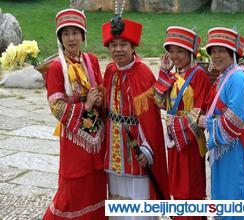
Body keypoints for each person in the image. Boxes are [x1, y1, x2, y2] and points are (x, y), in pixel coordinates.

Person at [101, 14, 170, 219]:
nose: (118, 49)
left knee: (139, 207)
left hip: (136, 151)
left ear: (133, 47)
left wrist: (148, 149)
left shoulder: (143, 73)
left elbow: (151, 120)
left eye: (123, 44)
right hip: (114, 151)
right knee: (117, 205)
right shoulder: (110, 71)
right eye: (113, 45)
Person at [43, 9, 107, 219]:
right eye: (66, 33)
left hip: (97, 138)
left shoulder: (91, 60)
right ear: (60, 37)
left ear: (83, 35)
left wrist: (99, 97)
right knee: (73, 188)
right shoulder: (56, 67)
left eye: (75, 33)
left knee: (95, 185)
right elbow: (56, 107)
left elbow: (99, 88)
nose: (71, 38)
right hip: (74, 141)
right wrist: (86, 105)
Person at [198, 27, 244, 219]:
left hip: (238, 149)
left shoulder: (236, 78)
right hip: (227, 151)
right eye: (213, 51)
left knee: (238, 195)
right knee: (225, 196)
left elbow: (234, 123)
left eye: (222, 51)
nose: (216, 55)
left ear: (232, 53)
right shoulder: (223, 77)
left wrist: (207, 123)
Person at [153, 26, 211, 220]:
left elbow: (199, 110)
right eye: (171, 50)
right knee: (177, 184)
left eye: (180, 51)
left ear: (190, 53)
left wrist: (174, 128)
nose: (174, 55)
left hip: (189, 139)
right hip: (174, 139)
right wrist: (163, 73)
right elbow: (159, 102)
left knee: (190, 186)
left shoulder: (199, 75)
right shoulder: (173, 74)